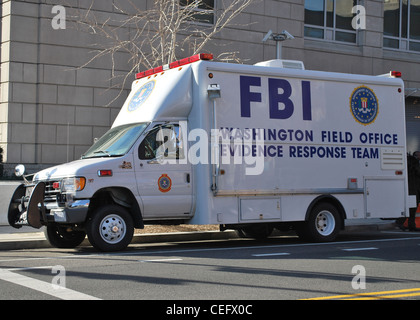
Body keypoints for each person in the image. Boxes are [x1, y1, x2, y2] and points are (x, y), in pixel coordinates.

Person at [407, 151, 420, 231]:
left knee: (412, 207)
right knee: (413, 207)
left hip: (413, 187)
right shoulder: (414, 163)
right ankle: (410, 225)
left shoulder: (410, 162)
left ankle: (409, 224)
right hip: (414, 188)